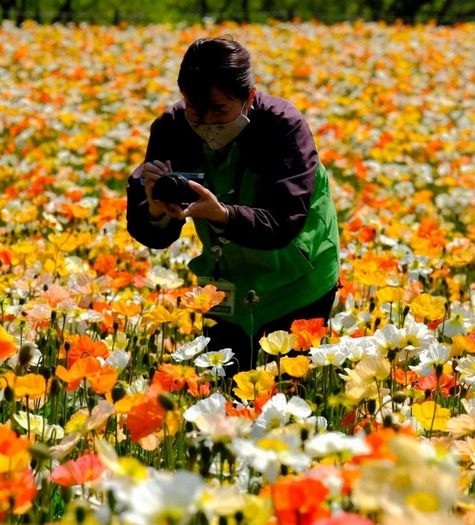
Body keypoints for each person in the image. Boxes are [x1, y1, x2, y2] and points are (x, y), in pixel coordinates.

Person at [126, 36, 341, 373]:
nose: (207, 123)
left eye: (220, 110)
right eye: (195, 111)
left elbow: (284, 222)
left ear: (249, 98)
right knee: (225, 390)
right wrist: (155, 211)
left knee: (285, 387)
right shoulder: (172, 129)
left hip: (297, 279)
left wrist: (222, 215)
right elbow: (152, 234)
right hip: (224, 283)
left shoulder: (282, 126)